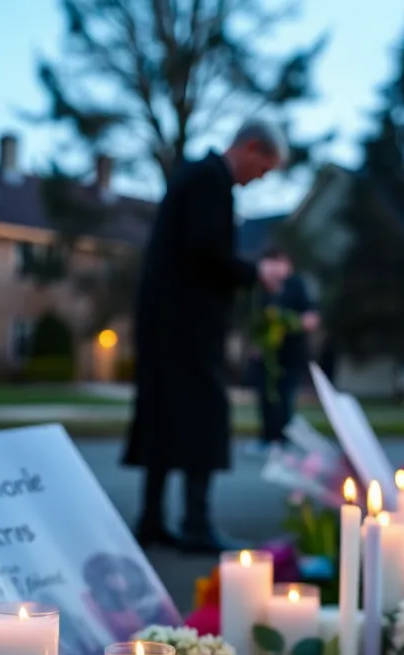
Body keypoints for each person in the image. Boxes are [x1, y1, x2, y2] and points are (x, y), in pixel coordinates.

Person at [123, 119, 291, 553]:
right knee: (203, 414)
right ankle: (195, 524)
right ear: (251, 147)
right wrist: (256, 271)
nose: (260, 179)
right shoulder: (211, 181)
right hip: (187, 325)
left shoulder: (195, 177)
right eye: (264, 169)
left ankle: (153, 519)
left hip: (165, 320)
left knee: (162, 414)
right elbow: (206, 251)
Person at [249, 246, 319, 454]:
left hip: (291, 354)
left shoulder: (296, 285)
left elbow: (311, 315)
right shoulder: (259, 288)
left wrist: (295, 322)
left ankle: (282, 439)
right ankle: (266, 438)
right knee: (265, 396)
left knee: (285, 397)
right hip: (267, 354)